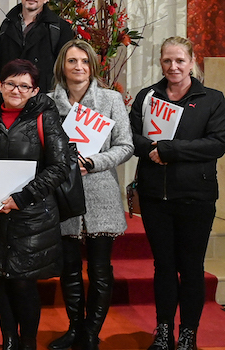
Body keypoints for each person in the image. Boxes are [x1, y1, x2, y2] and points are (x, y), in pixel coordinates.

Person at [0, 59, 67, 350]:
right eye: (10, 84)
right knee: (1, 277)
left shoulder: (45, 118)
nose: (16, 90)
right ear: (0, 85)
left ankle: (28, 342)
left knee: (23, 281)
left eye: (24, 86)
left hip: (31, 216)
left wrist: (21, 198)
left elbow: (59, 166)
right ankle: (9, 340)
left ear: (34, 90)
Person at [129, 37, 225, 350]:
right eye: (168, 60)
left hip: (195, 197)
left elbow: (217, 143)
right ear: (161, 62)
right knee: (164, 266)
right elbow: (130, 136)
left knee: (192, 268)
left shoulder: (212, 99)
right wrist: (152, 148)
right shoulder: (147, 96)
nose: (174, 67)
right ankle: (163, 331)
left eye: (180, 60)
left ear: (192, 61)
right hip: (155, 197)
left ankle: (188, 334)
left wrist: (170, 150)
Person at [46, 40, 132, 350]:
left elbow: (125, 145)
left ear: (92, 66)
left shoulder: (110, 99)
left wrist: (94, 162)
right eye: (72, 61)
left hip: (100, 192)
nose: (79, 66)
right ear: (62, 66)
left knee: (99, 270)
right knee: (69, 268)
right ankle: (74, 328)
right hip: (62, 194)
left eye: (84, 61)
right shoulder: (47, 102)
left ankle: (91, 333)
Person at [0, 0, 74, 94]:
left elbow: (66, 69)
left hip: (44, 98)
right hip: (11, 96)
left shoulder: (60, 28)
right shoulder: (7, 24)